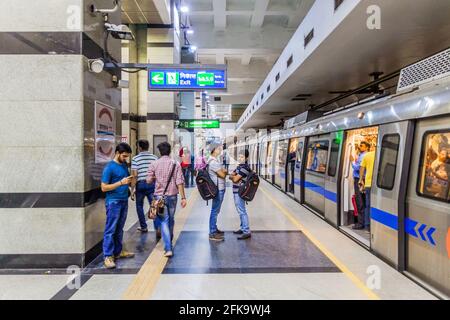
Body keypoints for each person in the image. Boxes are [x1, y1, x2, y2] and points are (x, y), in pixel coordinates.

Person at [147, 142, 187, 257]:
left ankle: (168, 248)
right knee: (171, 219)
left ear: (160, 151)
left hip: (159, 197)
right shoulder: (176, 164)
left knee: (164, 220)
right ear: (170, 151)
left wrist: (156, 177)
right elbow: (180, 182)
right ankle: (170, 239)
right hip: (173, 196)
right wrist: (183, 198)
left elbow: (148, 180)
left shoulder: (154, 164)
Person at [101, 143, 135, 269]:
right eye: (124, 156)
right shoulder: (109, 168)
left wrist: (131, 189)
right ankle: (108, 256)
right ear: (117, 153)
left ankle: (118, 251)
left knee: (119, 228)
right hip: (113, 202)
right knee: (110, 229)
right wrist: (121, 182)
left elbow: (126, 180)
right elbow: (104, 187)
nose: (125, 158)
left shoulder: (124, 165)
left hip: (123, 200)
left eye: (127, 156)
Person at [131, 140, 158, 233]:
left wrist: (132, 189)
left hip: (140, 185)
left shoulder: (135, 159)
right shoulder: (154, 158)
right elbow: (156, 173)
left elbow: (134, 175)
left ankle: (143, 226)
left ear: (140, 147)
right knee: (154, 206)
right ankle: (157, 227)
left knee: (139, 206)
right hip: (152, 184)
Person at [229, 150, 252, 240]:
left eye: (242, 157)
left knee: (242, 211)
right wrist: (233, 177)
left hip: (240, 192)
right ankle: (242, 228)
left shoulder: (244, 168)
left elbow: (234, 179)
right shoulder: (239, 167)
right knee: (240, 210)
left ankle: (246, 231)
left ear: (246, 158)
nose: (240, 158)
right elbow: (232, 175)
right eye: (239, 156)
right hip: (236, 191)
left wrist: (234, 177)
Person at [208, 142, 228, 241]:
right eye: (219, 148)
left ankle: (214, 229)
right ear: (214, 149)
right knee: (215, 211)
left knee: (216, 210)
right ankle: (212, 233)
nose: (220, 149)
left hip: (219, 188)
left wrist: (223, 171)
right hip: (218, 189)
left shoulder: (215, 160)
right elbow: (223, 174)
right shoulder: (213, 162)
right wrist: (224, 171)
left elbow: (222, 171)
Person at [351, 141, 369, 230]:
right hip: (363, 180)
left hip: (359, 180)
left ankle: (360, 223)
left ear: (367, 147)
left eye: (362, 146)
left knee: (360, 201)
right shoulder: (362, 155)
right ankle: (365, 222)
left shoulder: (363, 156)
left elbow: (357, 168)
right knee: (364, 201)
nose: (360, 147)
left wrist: (351, 161)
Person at [359, 146, 376, 231]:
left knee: (368, 205)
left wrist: (360, 180)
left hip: (368, 184)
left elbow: (362, 168)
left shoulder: (367, 155)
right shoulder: (383, 154)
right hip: (379, 185)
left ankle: (367, 226)